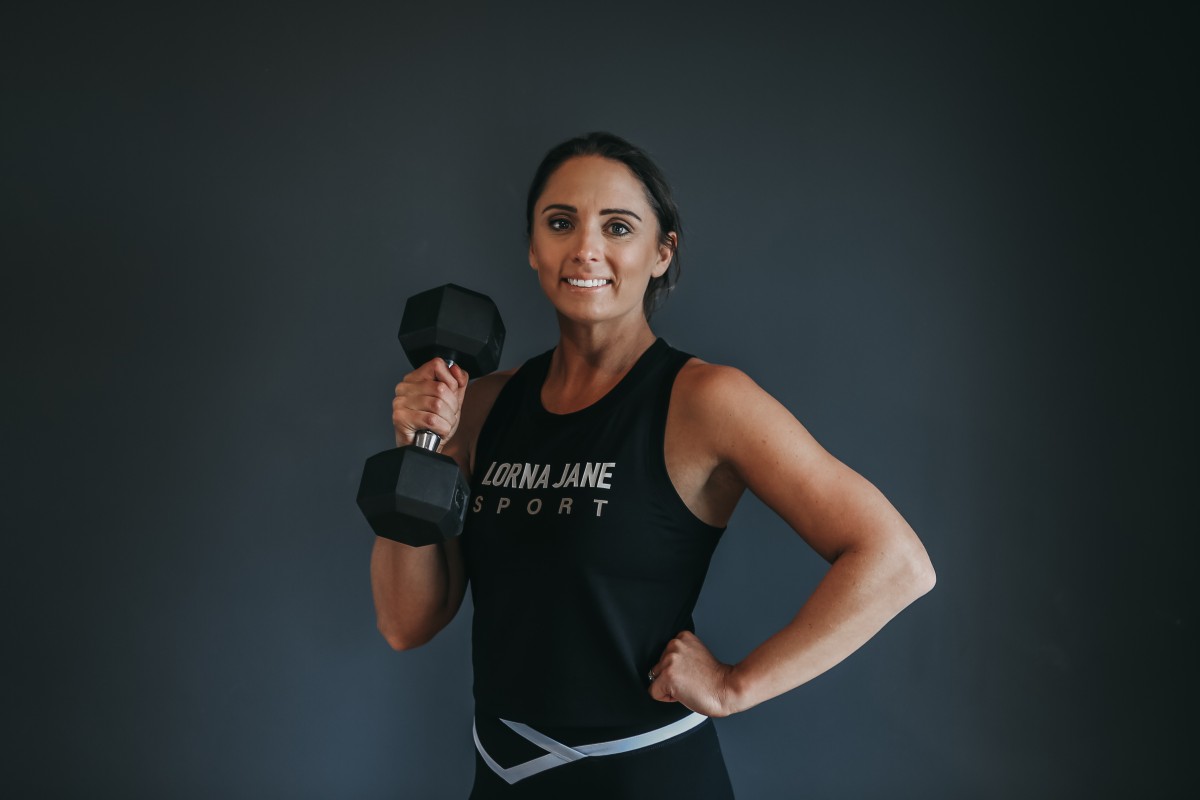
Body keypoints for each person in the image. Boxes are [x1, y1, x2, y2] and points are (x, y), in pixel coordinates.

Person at [371, 131, 936, 798]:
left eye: (618, 226)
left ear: (661, 252)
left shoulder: (705, 401)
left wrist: (735, 685)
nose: (586, 249)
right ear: (533, 246)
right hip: (501, 777)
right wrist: (422, 446)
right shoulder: (482, 405)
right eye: (560, 223)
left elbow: (897, 562)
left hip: (646, 776)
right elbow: (409, 622)